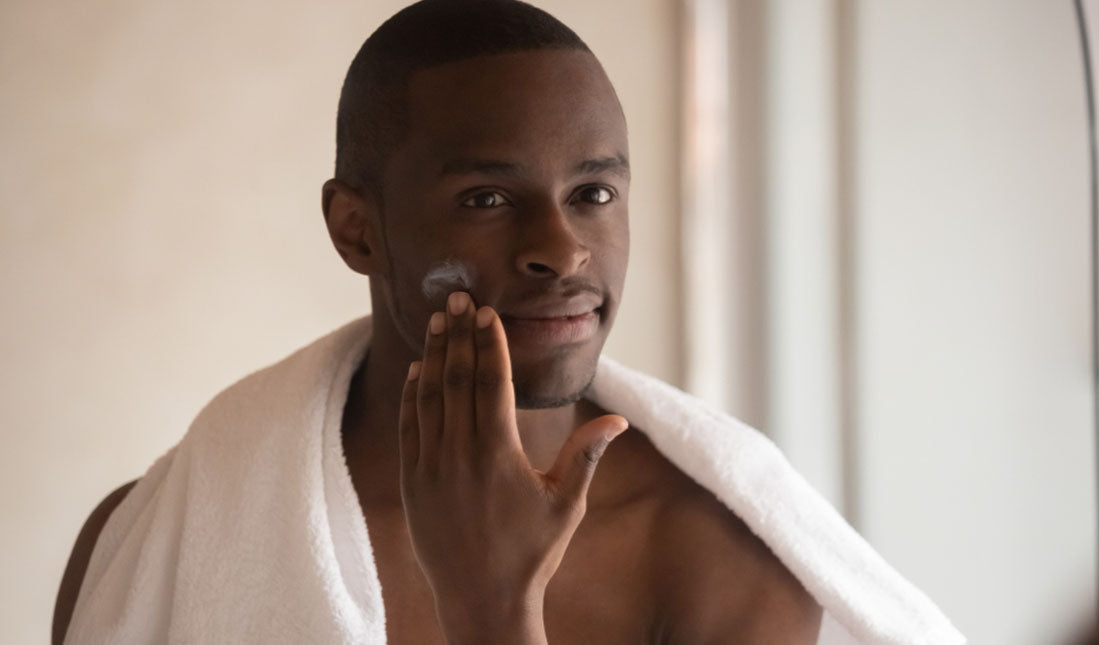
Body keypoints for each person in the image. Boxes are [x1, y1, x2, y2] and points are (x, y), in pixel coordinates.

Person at [54, 2, 963, 643]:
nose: (562, 250)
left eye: (593, 193)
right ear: (356, 229)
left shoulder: (711, 551)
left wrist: (493, 610)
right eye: (488, 197)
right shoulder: (159, 539)